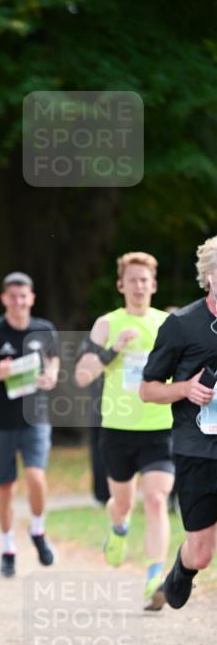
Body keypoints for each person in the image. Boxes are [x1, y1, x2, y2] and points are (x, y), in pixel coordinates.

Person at [75, 252, 174, 610]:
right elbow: (83, 374)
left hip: (159, 427)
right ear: (121, 285)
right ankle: (118, 529)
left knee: (156, 499)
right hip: (117, 429)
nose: (139, 286)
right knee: (122, 503)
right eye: (132, 279)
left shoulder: (168, 324)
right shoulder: (107, 324)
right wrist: (113, 350)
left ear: (154, 284)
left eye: (145, 280)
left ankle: (154, 578)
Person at [0, 272, 59, 577]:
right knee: (4, 488)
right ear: (4, 299)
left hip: (35, 416)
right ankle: (8, 548)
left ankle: (38, 530)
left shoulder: (44, 329)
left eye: (24, 296)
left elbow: (54, 361)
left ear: (32, 298)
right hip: (1, 421)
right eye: (13, 296)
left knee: (35, 476)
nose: (18, 302)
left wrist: (51, 377)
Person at [140, 235, 217, 608]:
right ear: (208, 276)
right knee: (202, 552)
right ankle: (183, 569)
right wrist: (186, 388)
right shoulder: (181, 325)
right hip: (198, 448)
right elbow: (148, 389)